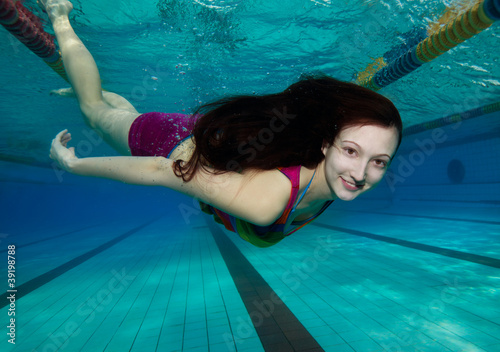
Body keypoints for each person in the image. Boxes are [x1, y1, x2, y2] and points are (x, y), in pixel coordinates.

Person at [44, 0, 403, 248]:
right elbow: (160, 169)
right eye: (352, 151)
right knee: (92, 111)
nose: (359, 172)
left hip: (208, 139)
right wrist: (73, 164)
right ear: (327, 144)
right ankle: (60, 16)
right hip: (166, 143)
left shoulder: (327, 173)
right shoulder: (267, 201)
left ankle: (109, 99)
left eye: (378, 162)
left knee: (122, 115)